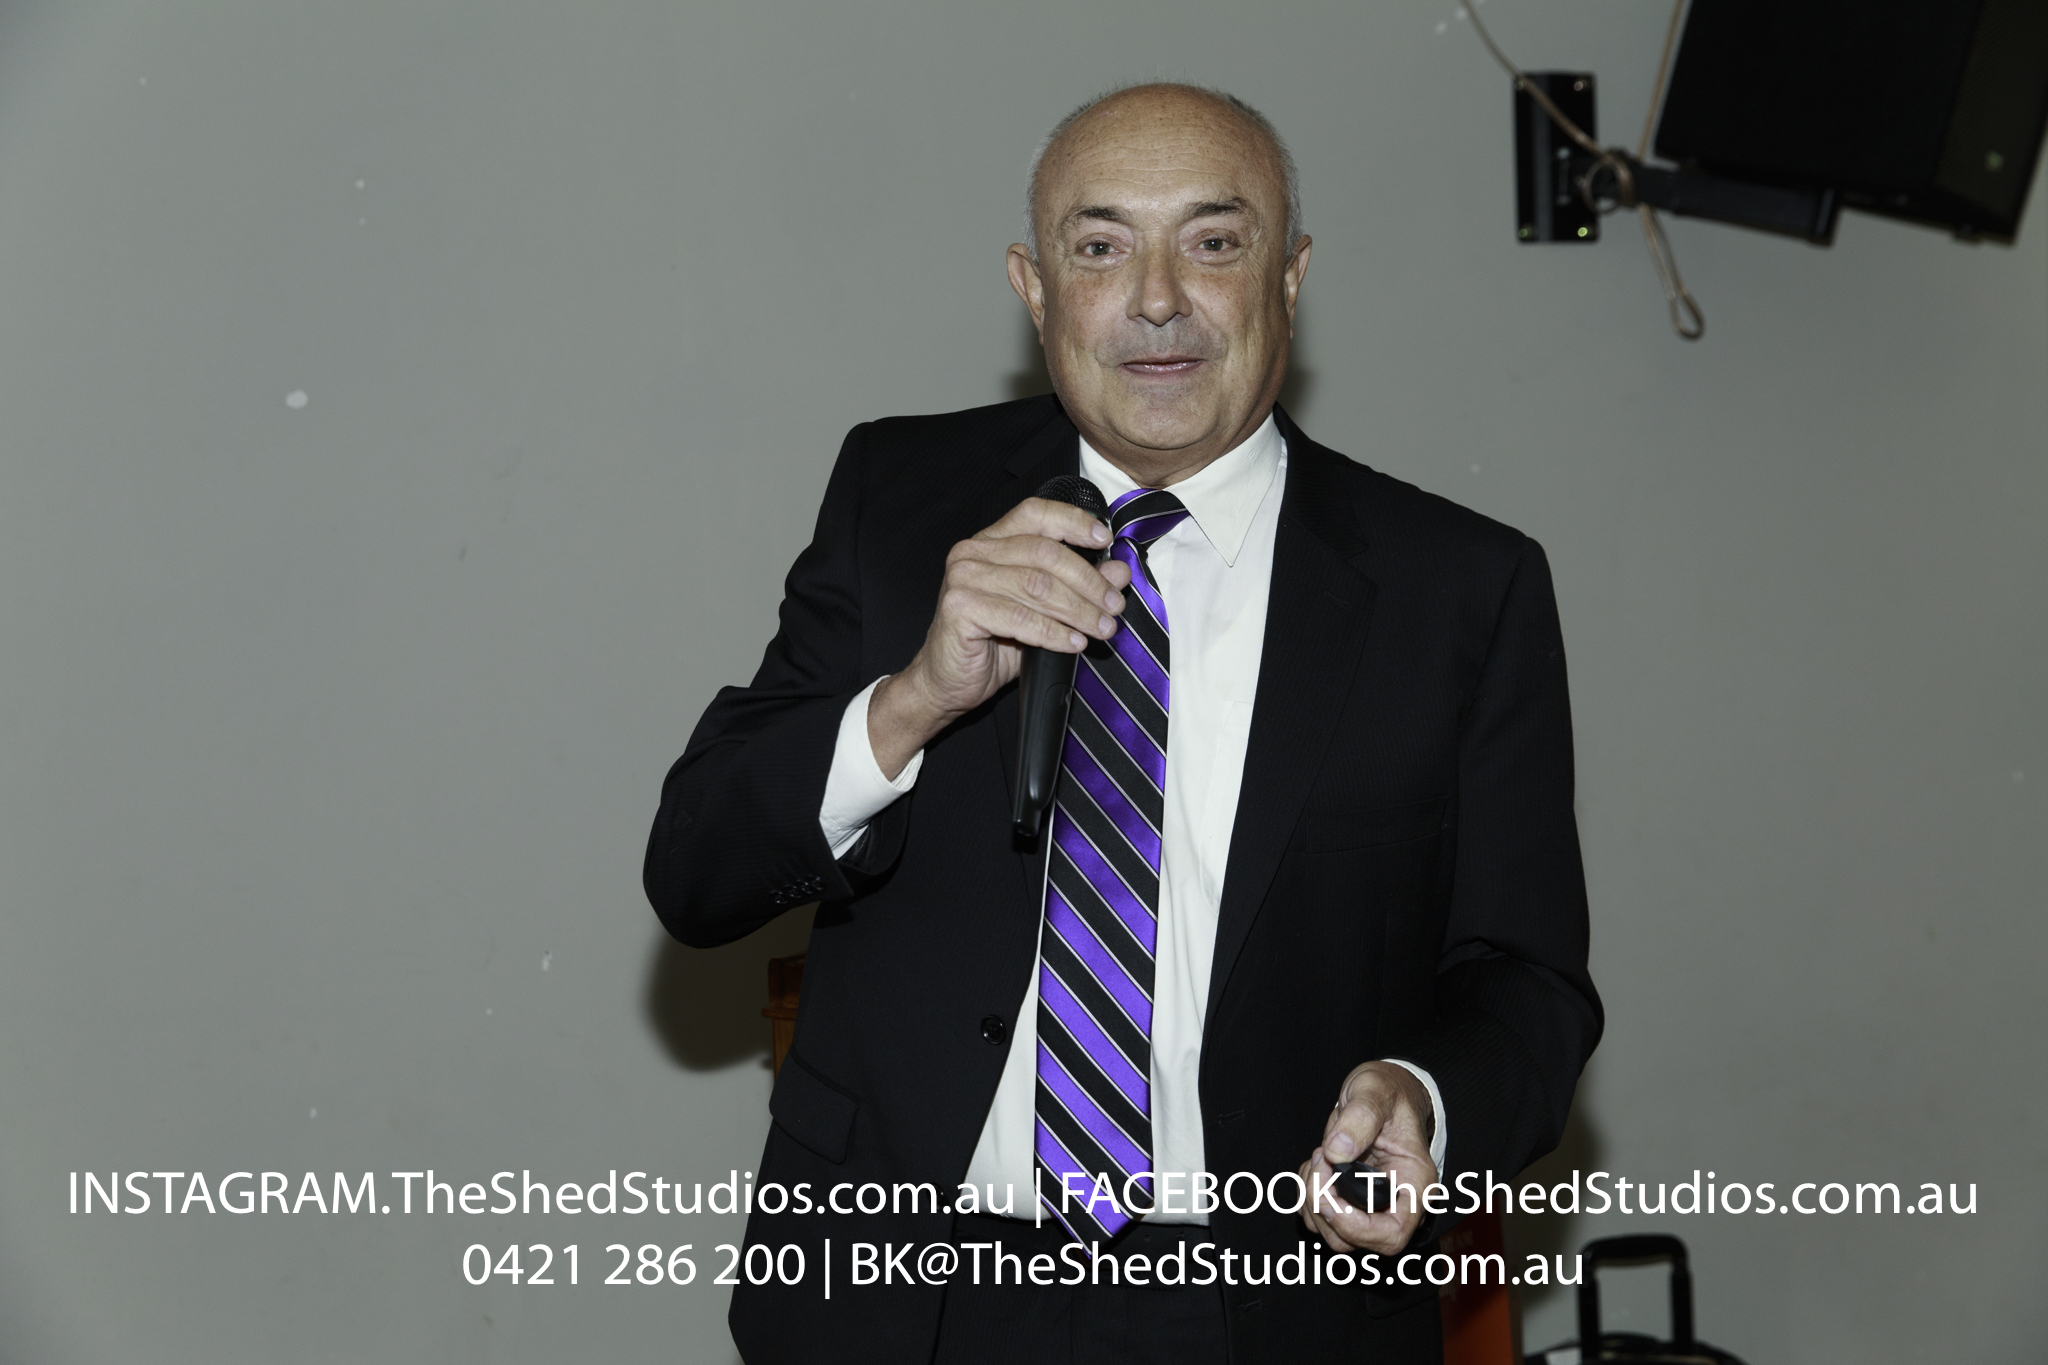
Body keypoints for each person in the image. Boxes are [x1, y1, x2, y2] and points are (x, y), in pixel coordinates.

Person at [644, 82, 1600, 1364]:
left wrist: (1423, 1095)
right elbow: (696, 872)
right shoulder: (897, 500)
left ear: (1289, 278)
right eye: (1099, 247)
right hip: (909, 1305)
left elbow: (1526, 982)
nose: (1156, 298)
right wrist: (916, 696)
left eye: (1213, 241)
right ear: (1033, 290)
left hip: (1264, 1306)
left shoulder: (1458, 589)